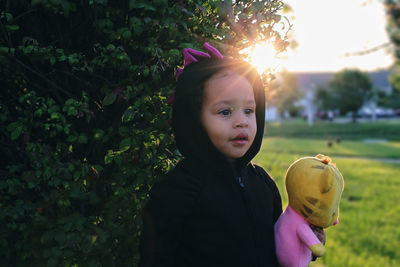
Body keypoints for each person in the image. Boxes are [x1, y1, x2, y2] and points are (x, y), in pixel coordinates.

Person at [139, 43, 280, 266]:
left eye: (249, 111)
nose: (241, 121)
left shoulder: (262, 183)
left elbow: (278, 246)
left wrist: (305, 241)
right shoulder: (179, 190)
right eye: (225, 112)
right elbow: (156, 258)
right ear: (196, 120)